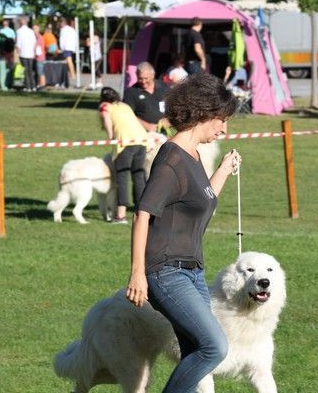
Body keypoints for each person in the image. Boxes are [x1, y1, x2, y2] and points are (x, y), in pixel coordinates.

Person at [126, 73, 240, 393]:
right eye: (222, 120)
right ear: (203, 112)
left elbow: (204, 200)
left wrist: (224, 171)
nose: (224, 129)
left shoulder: (193, 157)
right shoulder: (172, 158)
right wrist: (137, 274)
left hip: (192, 272)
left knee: (195, 352)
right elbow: (142, 213)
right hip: (166, 271)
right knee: (214, 346)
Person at [99, 87, 148, 224]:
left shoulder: (105, 106)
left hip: (125, 142)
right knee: (138, 176)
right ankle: (141, 211)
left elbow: (107, 120)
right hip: (141, 140)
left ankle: (120, 215)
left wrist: (111, 136)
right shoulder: (124, 105)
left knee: (122, 177)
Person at [124, 62, 169, 132]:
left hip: (165, 131)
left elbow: (173, 106)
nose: (143, 81)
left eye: (146, 78)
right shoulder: (131, 92)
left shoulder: (164, 87)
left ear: (153, 75)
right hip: (142, 132)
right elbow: (127, 114)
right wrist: (147, 125)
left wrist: (168, 120)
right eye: (140, 78)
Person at [15, 16, 36, 92]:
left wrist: (17, 51)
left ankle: (28, 86)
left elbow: (18, 43)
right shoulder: (31, 31)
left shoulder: (19, 31)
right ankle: (33, 86)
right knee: (30, 70)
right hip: (30, 53)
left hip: (23, 53)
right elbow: (34, 42)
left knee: (26, 70)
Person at [59, 18, 77, 83]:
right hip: (71, 47)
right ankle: (67, 73)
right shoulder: (72, 29)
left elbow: (62, 39)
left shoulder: (63, 30)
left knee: (69, 60)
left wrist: (61, 49)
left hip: (66, 47)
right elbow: (75, 38)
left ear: (62, 23)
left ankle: (73, 74)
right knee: (66, 61)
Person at [33, 24, 46, 90]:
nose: (34, 30)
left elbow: (37, 47)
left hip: (40, 57)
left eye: (35, 28)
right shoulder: (36, 37)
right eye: (33, 28)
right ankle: (41, 84)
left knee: (40, 72)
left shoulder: (39, 37)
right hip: (38, 57)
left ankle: (42, 85)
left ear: (38, 29)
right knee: (40, 71)